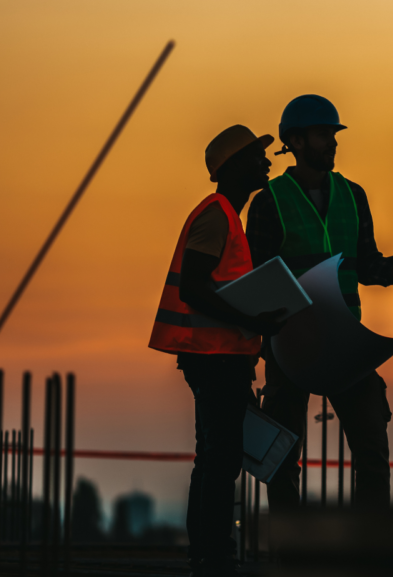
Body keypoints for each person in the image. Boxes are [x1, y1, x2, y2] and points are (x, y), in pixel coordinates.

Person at [246, 95, 393, 523]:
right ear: (297, 141)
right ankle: (293, 558)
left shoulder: (352, 196)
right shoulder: (270, 200)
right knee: (283, 458)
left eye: (333, 135)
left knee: (373, 453)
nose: (332, 143)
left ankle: (367, 556)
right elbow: (257, 281)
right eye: (324, 135)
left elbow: (365, 265)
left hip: (345, 345)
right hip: (290, 347)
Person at [148, 125, 286, 576]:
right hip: (212, 358)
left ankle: (207, 551)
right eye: (257, 156)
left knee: (213, 456)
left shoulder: (228, 215)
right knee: (220, 457)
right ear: (233, 167)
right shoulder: (217, 215)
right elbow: (194, 287)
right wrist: (252, 321)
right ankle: (214, 554)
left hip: (220, 357)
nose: (266, 163)